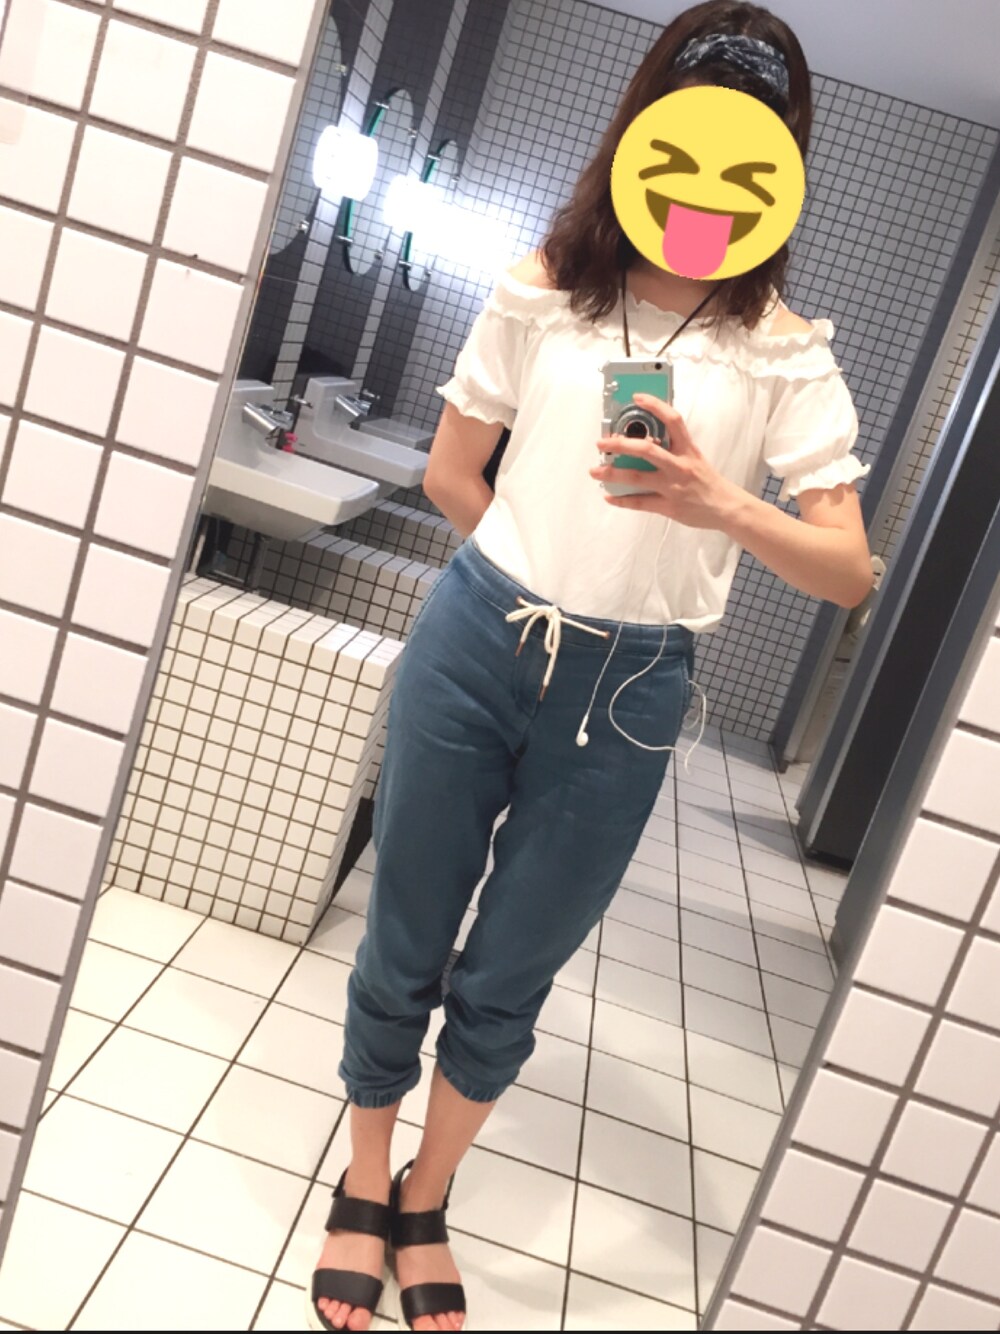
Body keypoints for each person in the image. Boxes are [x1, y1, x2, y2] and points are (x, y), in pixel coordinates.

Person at [309, 2, 873, 1330]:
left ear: (780, 167)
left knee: (511, 967)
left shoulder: (784, 353)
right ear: (640, 131)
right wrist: (527, 565)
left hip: (631, 688)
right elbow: (454, 471)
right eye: (687, 137)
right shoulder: (545, 293)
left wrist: (716, 507)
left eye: (748, 149)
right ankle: (366, 1177)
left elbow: (847, 570)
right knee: (404, 931)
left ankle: (427, 1198)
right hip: (478, 634)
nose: (708, 182)